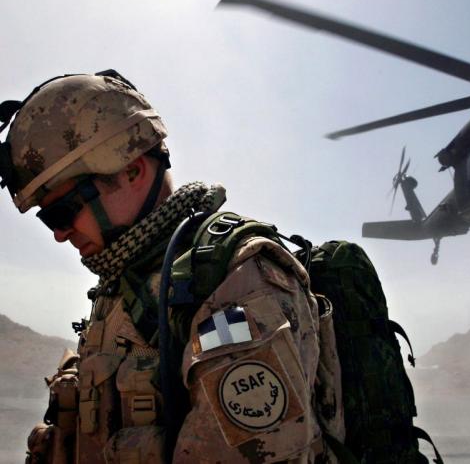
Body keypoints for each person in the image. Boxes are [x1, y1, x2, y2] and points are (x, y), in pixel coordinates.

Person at [0, 71, 343, 463]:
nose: (60, 235)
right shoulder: (126, 285)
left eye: (62, 212)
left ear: (132, 169)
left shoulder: (233, 282)